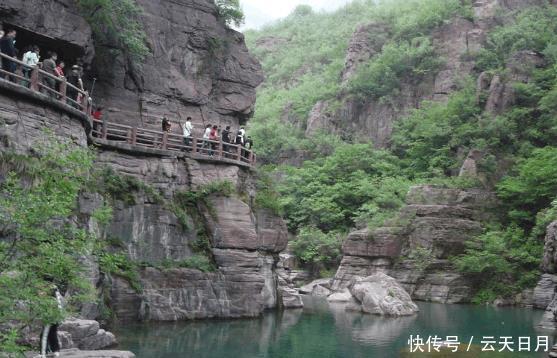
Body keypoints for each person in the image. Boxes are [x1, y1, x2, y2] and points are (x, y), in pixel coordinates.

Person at [39, 286, 64, 358]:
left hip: (51, 318)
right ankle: (56, 351)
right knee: (52, 334)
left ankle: (42, 354)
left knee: (44, 335)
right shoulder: (56, 292)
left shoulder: (51, 297)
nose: (40, 292)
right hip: (57, 317)